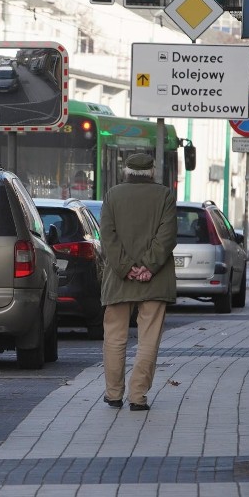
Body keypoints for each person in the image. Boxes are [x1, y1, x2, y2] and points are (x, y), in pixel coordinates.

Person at [98, 153, 177, 411]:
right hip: (155, 280)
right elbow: (167, 236)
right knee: (148, 340)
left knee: (114, 338)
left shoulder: (112, 195)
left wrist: (127, 268)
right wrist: (148, 266)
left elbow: (107, 237)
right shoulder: (164, 196)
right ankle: (138, 397)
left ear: (126, 170)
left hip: (119, 280)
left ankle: (113, 394)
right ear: (152, 171)